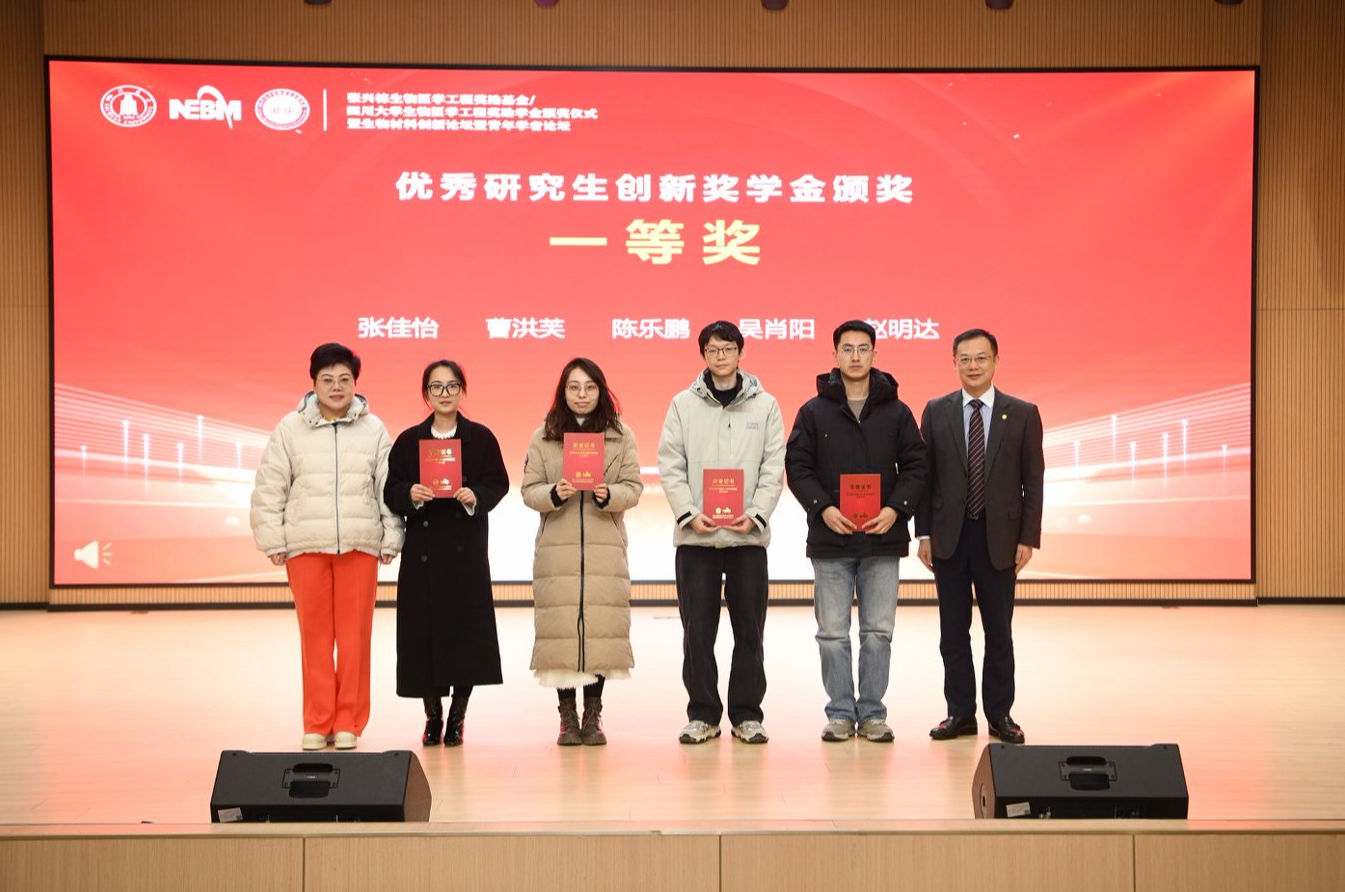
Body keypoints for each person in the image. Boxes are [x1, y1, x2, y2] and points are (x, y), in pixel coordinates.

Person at [250, 343, 403, 751]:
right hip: (305, 545)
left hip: (359, 544)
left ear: (356, 382)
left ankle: (349, 720)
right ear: (313, 383)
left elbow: (387, 487)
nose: (337, 387)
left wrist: (391, 536)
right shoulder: (290, 428)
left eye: (344, 379)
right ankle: (317, 721)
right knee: (315, 638)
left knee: (355, 639)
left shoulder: (374, 429)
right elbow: (270, 486)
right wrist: (272, 538)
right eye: (327, 379)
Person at [784, 320, 928, 743]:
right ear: (835, 355)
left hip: (882, 539)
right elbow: (797, 466)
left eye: (863, 348)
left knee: (878, 633)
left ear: (874, 354)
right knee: (831, 633)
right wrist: (822, 508)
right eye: (847, 349)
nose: (855, 356)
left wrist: (896, 509)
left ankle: (873, 714)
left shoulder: (897, 411)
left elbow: (917, 466)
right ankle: (840, 713)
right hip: (832, 540)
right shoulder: (814, 411)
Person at [656, 321, 785, 745]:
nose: (721, 356)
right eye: (713, 349)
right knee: (697, 633)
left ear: (740, 353)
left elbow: (773, 467)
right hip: (697, 539)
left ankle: (747, 715)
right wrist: (689, 514)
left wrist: (757, 515)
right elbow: (670, 464)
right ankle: (703, 715)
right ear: (704, 355)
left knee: (750, 632)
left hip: (747, 539)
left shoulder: (766, 405)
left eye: (728, 349)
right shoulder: (682, 404)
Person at [917, 328, 1044, 745]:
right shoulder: (936, 410)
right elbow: (925, 477)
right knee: (953, 633)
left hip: (1000, 538)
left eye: (981, 358)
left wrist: (1028, 537)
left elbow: (1033, 480)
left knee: (999, 633)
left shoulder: (1022, 413)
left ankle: (1000, 714)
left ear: (996, 361)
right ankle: (960, 713)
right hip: (949, 537)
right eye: (965, 359)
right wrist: (923, 533)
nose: (973, 366)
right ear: (954, 362)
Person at [384, 360, 509, 747]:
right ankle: (432, 715)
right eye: (436, 387)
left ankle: (457, 716)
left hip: (465, 553)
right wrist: (410, 494)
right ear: (426, 394)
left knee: (465, 635)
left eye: (452, 386)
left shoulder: (480, 438)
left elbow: (498, 482)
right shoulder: (409, 441)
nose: (444, 393)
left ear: (462, 391)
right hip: (422, 554)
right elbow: (390, 489)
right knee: (423, 636)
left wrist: (477, 496)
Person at [521, 358, 643, 746]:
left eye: (590, 387)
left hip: (604, 549)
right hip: (557, 551)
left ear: (601, 391)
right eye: (574, 387)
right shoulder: (544, 435)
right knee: (561, 633)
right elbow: (528, 491)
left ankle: (593, 716)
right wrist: (554, 493)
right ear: (563, 392)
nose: (582, 395)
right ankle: (567, 718)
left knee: (600, 630)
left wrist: (611, 494)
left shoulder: (620, 435)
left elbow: (634, 488)